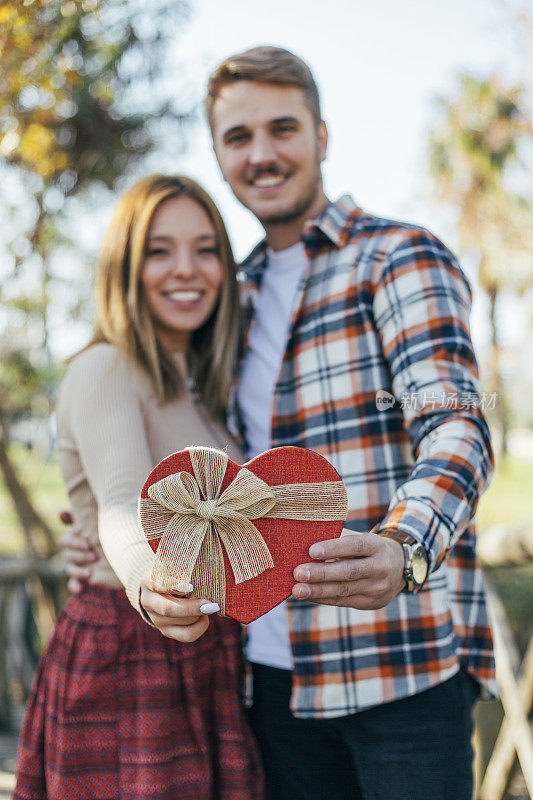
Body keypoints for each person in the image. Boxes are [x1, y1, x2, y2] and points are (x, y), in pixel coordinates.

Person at [63, 47, 497, 800]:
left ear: (321, 136)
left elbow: (457, 424)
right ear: (220, 154)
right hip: (261, 683)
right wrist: (106, 543)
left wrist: (406, 549)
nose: (262, 154)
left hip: (396, 670)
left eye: (282, 128)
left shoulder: (397, 258)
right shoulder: (227, 301)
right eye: (238, 138)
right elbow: (162, 465)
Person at [13, 174, 265, 800]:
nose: (186, 269)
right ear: (125, 264)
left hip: (209, 657)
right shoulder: (104, 367)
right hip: (129, 654)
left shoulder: (205, 391)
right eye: (159, 249)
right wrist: (152, 584)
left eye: (206, 248)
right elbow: (123, 504)